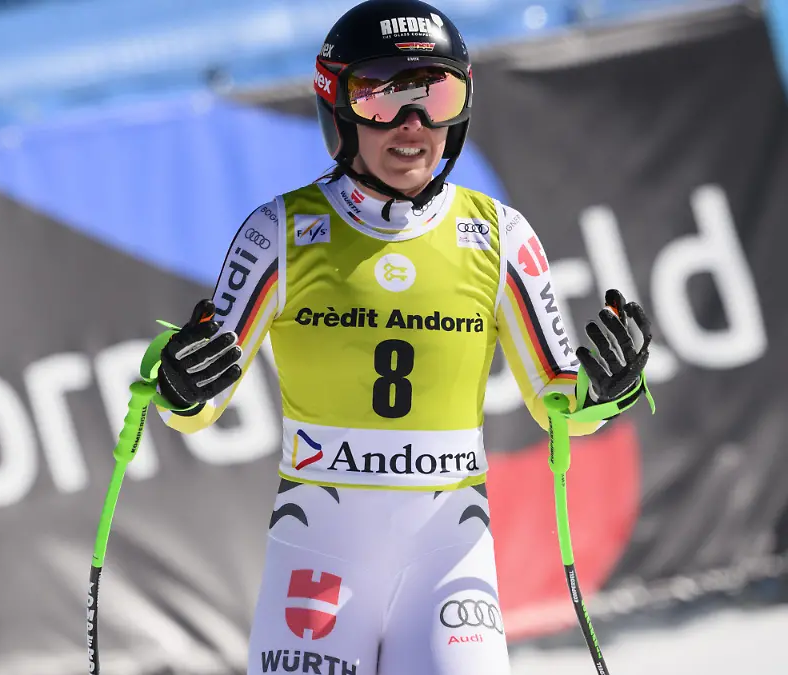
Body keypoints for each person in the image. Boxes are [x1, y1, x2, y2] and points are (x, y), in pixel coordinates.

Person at [151, 1, 653, 673]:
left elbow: (557, 401)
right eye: (383, 96)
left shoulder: (500, 235)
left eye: (437, 94)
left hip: (448, 562)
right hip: (320, 555)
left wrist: (609, 386)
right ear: (338, 108)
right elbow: (197, 403)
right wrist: (177, 384)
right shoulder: (282, 232)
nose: (412, 125)